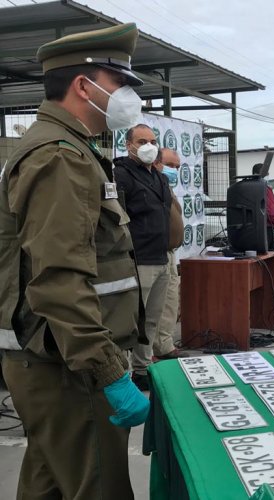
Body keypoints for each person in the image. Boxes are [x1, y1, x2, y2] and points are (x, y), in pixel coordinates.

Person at [0, 23, 149, 498]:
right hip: (67, 365)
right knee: (98, 486)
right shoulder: (59, 156)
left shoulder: (70, 148)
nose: (128, 96)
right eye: (119, 83)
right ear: (84, 86)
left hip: (52, 356)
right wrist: (108, 371)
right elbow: (59, 279)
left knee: (48, 483)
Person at [114, 124, 172, 391]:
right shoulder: (121, 175)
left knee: (152, 318)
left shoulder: (160, 177)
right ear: (129, 145)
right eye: (142, 141)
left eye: (152, 140)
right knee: (131, 319)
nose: (149, 145)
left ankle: (143, 367)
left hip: (161, 256)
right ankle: (122, 373)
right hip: (138, 258)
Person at [152, 148, 189, 359]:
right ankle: (146, 352)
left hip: (170, 251)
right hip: (153, 253)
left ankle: (164, 344)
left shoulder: (167, 186)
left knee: (170, 300)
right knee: (153, 306)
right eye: (170, 165)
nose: (174, 170)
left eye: (177, 166)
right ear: (157, 163)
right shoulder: (150, 185)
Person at [252, 162, 274, 251]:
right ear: (256, 174)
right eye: (266, 174)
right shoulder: (254, 188)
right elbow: (264, 209)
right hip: (261, 228)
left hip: (270, 227)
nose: (268, 176)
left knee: (271, 253)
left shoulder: (268, 188)